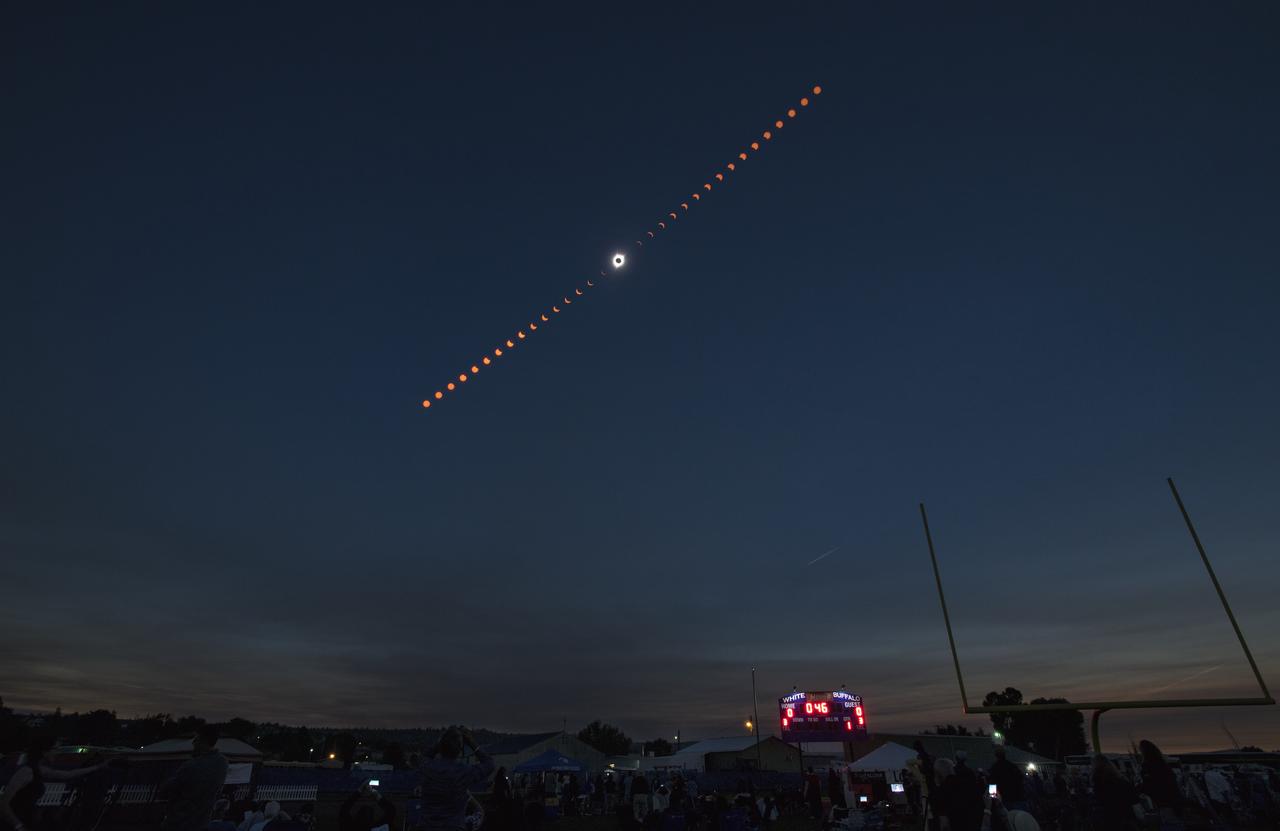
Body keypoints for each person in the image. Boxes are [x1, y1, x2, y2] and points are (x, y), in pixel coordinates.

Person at [0, 734, 115, 831]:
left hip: (27, 822)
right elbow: (3, 803)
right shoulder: (26, 772)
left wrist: (98, 767)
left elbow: (68, 774)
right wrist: (18, 826)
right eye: (55, 749)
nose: (58, 752)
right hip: (14, 824)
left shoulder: (40, 770)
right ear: (45, 752)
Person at [419, 727, 495, 831]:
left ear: (441, 746)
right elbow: (489, 764)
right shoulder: (464, 771)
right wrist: (472, 743)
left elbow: (424, 756)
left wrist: (440, 743)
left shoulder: (428, 767)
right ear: (460, 749)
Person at [157, 725, 230, 831]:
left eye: (196, 739)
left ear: (203, 740)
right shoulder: (223, 763)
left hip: (179, 823)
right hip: (202, 823)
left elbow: (165, 791)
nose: (193, 743)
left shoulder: (191, 765)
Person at [1090, 756, 1141, 831]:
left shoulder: (1098, 781)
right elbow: (1134, 798)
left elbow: (1099, 800)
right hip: (1125, 815)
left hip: (1109, 817)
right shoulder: (1121, 780)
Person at [1137, 740, 1182, 824]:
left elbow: (1149, 784)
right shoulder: (1162, 764)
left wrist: (1137, 789)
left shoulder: (1149, 766)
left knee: (1169, 822)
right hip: (1172, 801)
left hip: (1165, 802)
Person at [988, 746, 1028, 812]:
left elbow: (992, 784)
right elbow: (1021, 779)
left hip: (1004, 800)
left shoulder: (994, 768)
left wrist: (994, 799)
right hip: (1017, 797)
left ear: (996, 755)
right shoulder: (1012, 766)